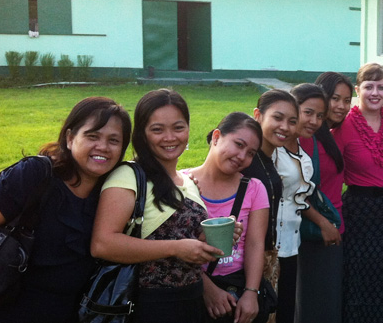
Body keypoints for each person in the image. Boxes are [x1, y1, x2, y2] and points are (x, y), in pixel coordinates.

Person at [0, 97, 131, 322]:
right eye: (92, 136)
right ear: (69, 137)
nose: (103, 147)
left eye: (114, 140)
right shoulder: (35, 175)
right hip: (6, 310)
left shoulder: (113, 195)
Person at [92, 89, 221, 322]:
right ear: (142, 134)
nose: (170, 137)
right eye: (157, 129)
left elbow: (183, 236)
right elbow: (102, 244)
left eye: (178, 127)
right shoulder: (128, 176)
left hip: (191, 301)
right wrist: (175, 247)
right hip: (147, 305)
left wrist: (209, 239)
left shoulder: (187, 181)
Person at [185, 113, 270, 323]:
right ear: (216, 137)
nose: (242, 156)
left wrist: (251, 292)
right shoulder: (182, 184)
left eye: (250, 153)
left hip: (236, 287)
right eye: (238, 144)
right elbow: (169, 243)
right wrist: (208, 288)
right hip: (189, 286)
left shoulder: (254, 189)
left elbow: (255, 244)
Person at [335, 63, 383, 323]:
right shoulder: (343, 126)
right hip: (359, 208)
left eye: (381, 87)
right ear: (357, 90)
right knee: (360, 271)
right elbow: (329, 171)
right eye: (369, 86)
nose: (375, 92)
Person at [243, 89, 300, 323]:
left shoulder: (267, 158)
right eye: (278, 118)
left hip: (267, 258)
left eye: (292, 121)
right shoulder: (245, 161)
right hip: (243, 262)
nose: (285, 127)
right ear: (258, 115)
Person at [291, 83, 341, 323]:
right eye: (307, 112)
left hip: (305, 231)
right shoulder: (280, 142)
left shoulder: (311, 141)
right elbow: (293, 193)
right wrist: (324, 223)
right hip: (289, 232)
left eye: (319, 116)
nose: (313, 120)